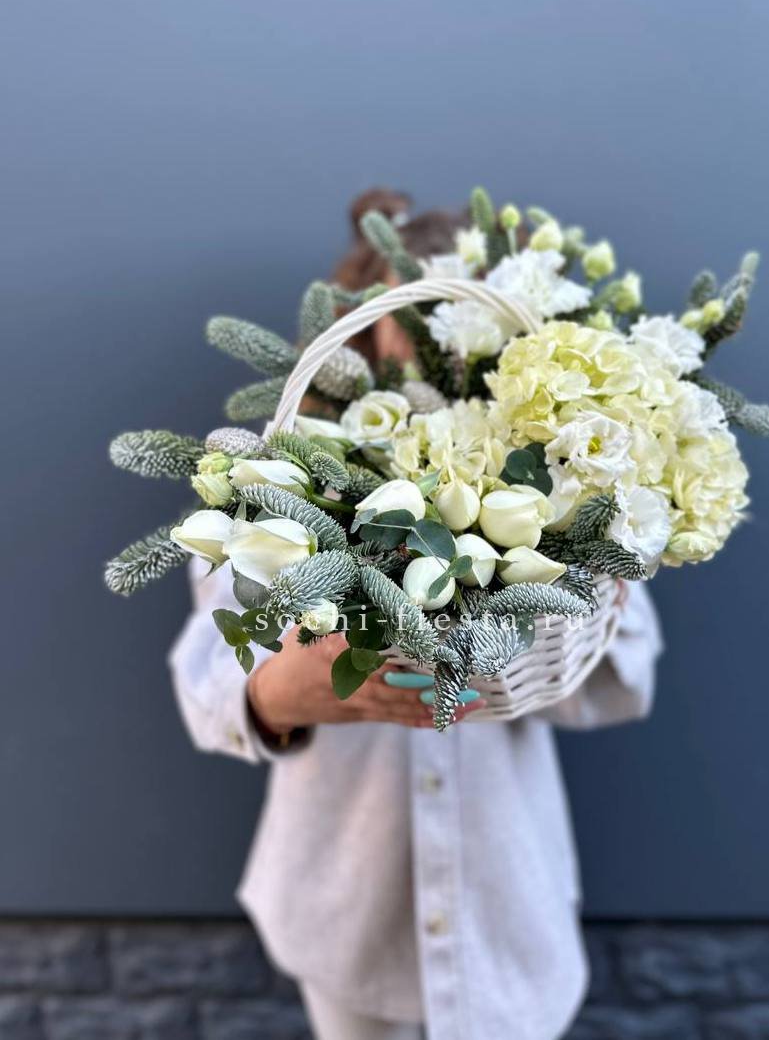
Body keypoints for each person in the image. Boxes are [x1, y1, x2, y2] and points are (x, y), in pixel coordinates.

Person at [169, 190, 663, 1040]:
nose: (442, 362)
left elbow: (626, 670)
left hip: (506, 905)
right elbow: (209, 680)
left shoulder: (561, 488)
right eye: (421, 336)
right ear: (369, 335)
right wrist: (285, 692)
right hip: (345, 907)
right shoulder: (283, 489)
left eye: (464, 341)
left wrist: (539, 624)